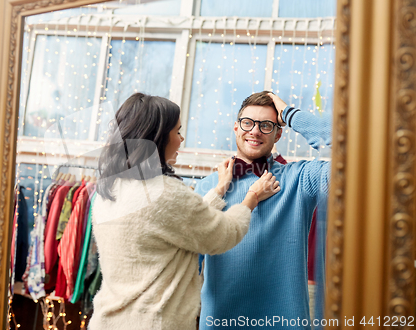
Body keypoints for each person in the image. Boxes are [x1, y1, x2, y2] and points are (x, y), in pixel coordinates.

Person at [88, 93, 281, 330]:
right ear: (158, 137)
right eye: (177, 131)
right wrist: (252, 197)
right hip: (152, 323)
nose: (181, 139)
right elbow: (224, 234)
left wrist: (219, 189)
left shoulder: (110, 189)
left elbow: (174, 223)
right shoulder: (164, 192)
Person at [195, 91, 331, 329]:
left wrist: (291, 114)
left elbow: (360, 157)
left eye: (266, 125)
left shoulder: (301, 179)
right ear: (236, 127)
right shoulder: (208, 187)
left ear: (279, 133)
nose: (255, 131)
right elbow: (187, 258)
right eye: (248, 123)